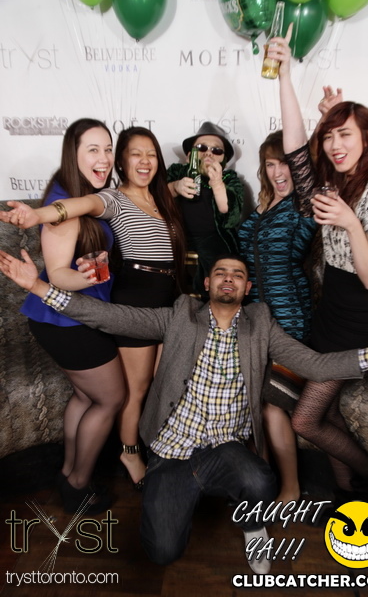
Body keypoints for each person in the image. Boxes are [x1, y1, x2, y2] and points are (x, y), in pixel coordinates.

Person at [1, 251, 368, 573]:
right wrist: (37, 286)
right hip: (171, 452)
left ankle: (252, 526)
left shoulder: (261, 325)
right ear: (206, 284)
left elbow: (314, 364)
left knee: (258, 478)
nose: (228, 278)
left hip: (226, 449)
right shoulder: (180, 315)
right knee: (162, 552)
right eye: (220, 272)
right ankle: (177, 495)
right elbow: (110, 316)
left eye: (238, 275)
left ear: (247, 288)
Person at [0, 126, 186, 491]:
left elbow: (158, 192)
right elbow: (77, 210)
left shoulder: (158, 196)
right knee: (123, 393)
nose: (144, 160)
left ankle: (70, 472)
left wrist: (177, 186)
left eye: (151, 154)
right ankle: (98, 471)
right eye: (134, 154)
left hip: (152, 305)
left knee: (103, 394)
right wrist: (38, 215)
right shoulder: (105, 197)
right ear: (122, 163)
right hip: (109, 309)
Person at [269, 26, 368, 495]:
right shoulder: (337, 179)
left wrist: (349, 223)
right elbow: (295, 147)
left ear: (367, 137)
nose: (334, 145)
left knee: (305, 419)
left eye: (345, 135)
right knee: (329, 414)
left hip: (355, 321)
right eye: (329, 137)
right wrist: (285, 74)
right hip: (330, 313)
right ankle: (348, 492)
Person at [14, 118, 126, 514]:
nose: (104, 158)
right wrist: (92, 275)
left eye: (108, 148)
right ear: (73, 155)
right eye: (93, 150)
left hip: (71, 316)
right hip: (66, 320)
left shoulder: (84, 194)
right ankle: (78, 485)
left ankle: (67, 473)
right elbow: (59, 273)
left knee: (84, 395)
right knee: (111, 399)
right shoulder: (63, 202)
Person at [239, 130, 317, 505]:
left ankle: (291, 487)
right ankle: (260, 482)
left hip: (291, 324)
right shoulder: (262, 205)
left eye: (284, 163)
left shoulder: (304, 205)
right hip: (255, 324)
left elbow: (306, 169)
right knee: (248, 401)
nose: (277, 172)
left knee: (272, 404)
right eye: (270, 164)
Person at [167, 121, 244, 298]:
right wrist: (175, 187)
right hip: (179, 240)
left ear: (224, 160)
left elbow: (228, 211)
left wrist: (217, 184)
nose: (209, 153)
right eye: (201, 148)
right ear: (189, 155)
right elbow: (155, 198)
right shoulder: (178, 172)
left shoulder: (229, 178)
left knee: (216, 269)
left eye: (216, 150)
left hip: (213, 242)